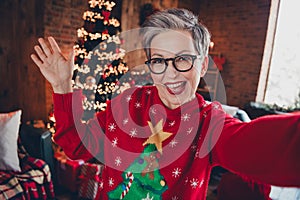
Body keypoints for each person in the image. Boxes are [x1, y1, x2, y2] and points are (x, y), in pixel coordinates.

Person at [31, 8, 300, 200]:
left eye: (183, 59)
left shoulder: (209, 123)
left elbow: (272, 147)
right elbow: (78, 144)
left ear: (203, 64)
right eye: (159, 60)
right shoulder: (128, 103)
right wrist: (62, 87)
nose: (170, 73)